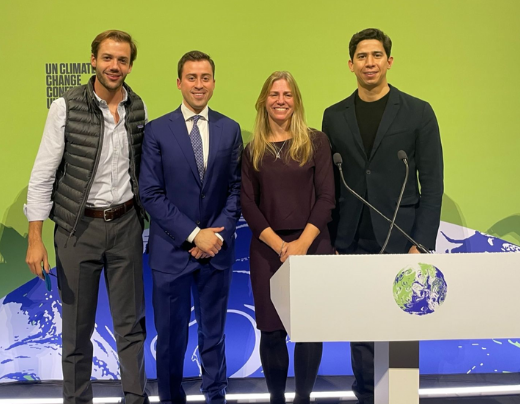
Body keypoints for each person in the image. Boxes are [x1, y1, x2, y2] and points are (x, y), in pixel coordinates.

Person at [24, 30, 149, 404]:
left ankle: (135, 398)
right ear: (93, 60)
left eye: (123, 60)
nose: (115, 66)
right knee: (77, 332)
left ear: (130, 65)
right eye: (108, 58)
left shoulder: (137, 106)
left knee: (131, 328)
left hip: (126, 226)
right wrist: (35, 238)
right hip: (78, 231)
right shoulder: (65, 106)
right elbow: (43, 174)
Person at [322, 28, 444, 404]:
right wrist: (333, 243)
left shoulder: (418, 111)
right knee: (360, 330)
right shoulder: (334, 116)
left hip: (402, 238)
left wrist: (420, 243)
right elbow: (329, 185)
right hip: (353, 238)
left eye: (377, 55)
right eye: (362, 56)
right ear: (350, 64)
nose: (369, 62)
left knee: (400, 328)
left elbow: (433, 184)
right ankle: (364, 394)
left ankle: (400, 396)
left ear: (389, 61)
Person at [139, 51, 242, 404]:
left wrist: (215, 234)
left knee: (214, 336)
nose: (199, 84)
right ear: (179, 82)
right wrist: (193, 234)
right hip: (171, 254)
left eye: (206, 77)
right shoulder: (156, 131)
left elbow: (236, 189)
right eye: (192, 77)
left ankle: (216, 396)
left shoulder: (229, 129)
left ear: (214, 82)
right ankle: (171, 399)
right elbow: (150, 193)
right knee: (170, 338)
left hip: (216, 251)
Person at [241, 71, 335, 404]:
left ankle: (303, 398)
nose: (281, 100)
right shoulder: (252, 150)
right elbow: (248, 204)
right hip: (268, 250)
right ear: (264, 100)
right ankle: (277, 398)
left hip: (311, 246)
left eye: (288, 94)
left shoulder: (316, 142)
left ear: (296, 101)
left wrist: (300, 245)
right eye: (274, 94)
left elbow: (326, 197)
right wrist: (281, 246)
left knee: (309, 329)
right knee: (271, 329)